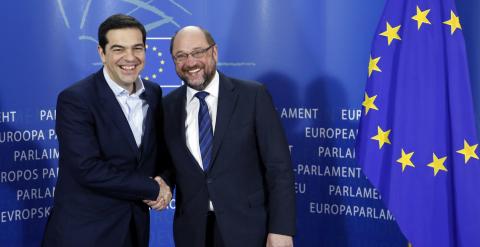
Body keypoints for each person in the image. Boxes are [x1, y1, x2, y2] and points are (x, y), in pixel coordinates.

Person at [42, 14, 171, 247]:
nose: (130, 58)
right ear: (102, 53)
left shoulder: (153, 93)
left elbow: (158, 154)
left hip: (135, 229)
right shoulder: (76, 99)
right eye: (118, 49)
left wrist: (166, 181)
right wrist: (153, 189)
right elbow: (87, 168)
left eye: (137, 48)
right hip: (86, 234)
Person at [161, 26, 296, 247]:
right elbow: (169, 163)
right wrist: (162, 181)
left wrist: (281, 229)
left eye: (197, 52)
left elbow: (279, 168)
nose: (190, 62)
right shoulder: (168, 107)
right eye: (181, 56)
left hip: (248, 230)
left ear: (214, 52)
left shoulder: (252, 96)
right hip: (192, 233)